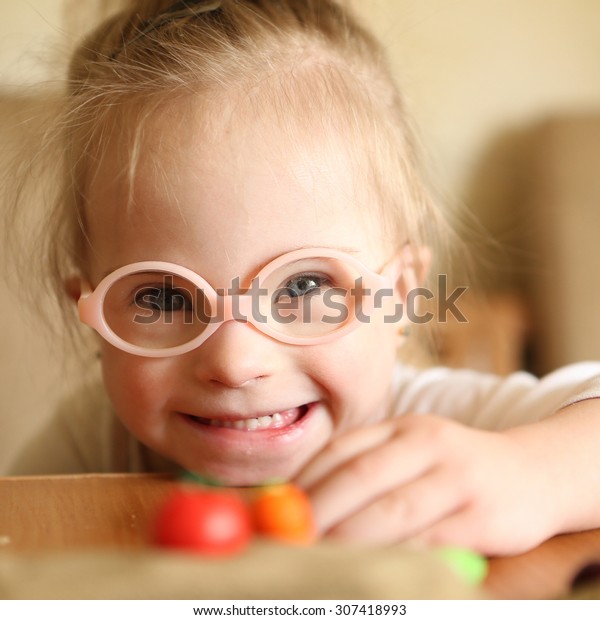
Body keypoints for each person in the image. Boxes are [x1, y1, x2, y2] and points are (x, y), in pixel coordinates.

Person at [6, 0, 600, 557]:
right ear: (96, 319)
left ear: (399, 295)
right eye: (162, 296)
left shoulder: (431, 431)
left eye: (303, 287)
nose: (236, 364)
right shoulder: (96, 443)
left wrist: (529, 473)